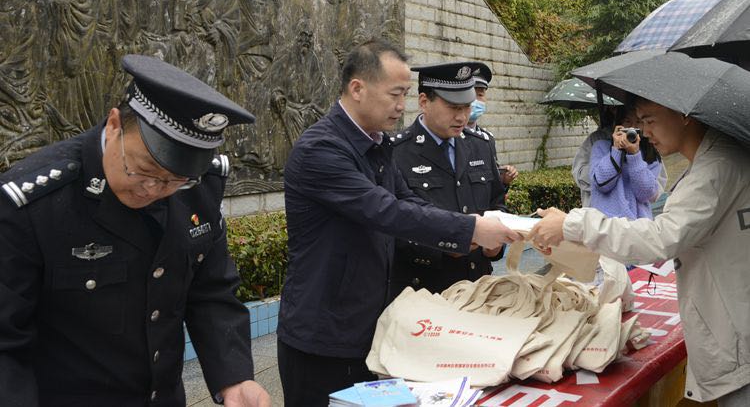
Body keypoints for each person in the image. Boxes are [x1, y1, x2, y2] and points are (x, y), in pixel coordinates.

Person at [0, 55, 270, 406]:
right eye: (143, 170)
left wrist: (234, 379)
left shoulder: (199, 187)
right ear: (115, 125)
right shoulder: (36, 204)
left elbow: (210, 290)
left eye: (174, 180)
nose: (154, 189)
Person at [277, 39, 522, 406]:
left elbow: (408, 200)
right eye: (395, 94)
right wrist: (470, 229)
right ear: (357, 88)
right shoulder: (322, 149)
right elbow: (386, 211)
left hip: (371, 326)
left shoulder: (377, 145)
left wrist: (472, 227)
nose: (401, 105)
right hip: (324, 334)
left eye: (405, 94)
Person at [529, 96, 750, 405]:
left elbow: (662, 235)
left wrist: (573, 225)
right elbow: (599, 181)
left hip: (738, 337)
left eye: (649, 120)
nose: (643, 132)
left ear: (684, 113)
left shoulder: (716, 167)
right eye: (638, 122)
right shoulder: (723, 156)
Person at [389, 62, 507, 296]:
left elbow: (496, 202)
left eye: (467, 107)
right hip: (424, 291)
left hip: (478, 288)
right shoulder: (396, 152)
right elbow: (389, 224)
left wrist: (495, 246)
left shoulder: (480, 145)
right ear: (424, 101)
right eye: (453, 107)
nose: (462, 117)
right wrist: (446, 246)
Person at [589, 105, 664, 219]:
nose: (632, 127)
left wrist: (634, 155)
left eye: (638, 122)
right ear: (619, 124)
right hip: (607, 224)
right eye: (628, 121)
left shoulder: (651, 154)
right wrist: (616, 150)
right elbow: (601, 184)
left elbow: (645, 194)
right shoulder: (600, 147)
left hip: (638, 225)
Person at [469, 65, 518, 190]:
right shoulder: (449, 136)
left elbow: (492, 188)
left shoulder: (487, 139)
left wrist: (503, 180)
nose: (476, 101)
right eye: (471, 95)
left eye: (480, 95)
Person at [571, 105, 616, 207]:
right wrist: (605, 169)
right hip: (596, 209)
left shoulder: (642, 142)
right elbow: (579, 174)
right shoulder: (596, 139)